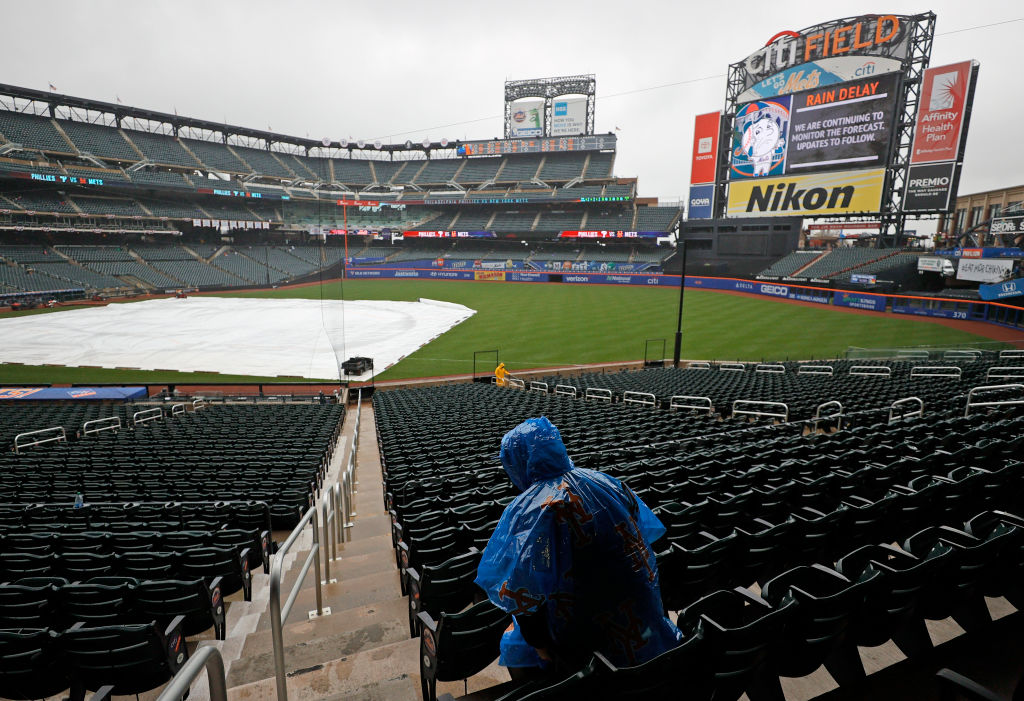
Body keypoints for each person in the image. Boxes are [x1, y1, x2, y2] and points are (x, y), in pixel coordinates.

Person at [475, 417, 681, 675]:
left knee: (522, 647)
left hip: (584, 641)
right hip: (643, 616)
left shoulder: (530, 511)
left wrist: (540, 645)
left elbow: (525, 595)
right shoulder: (604, 482)